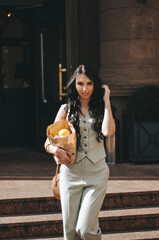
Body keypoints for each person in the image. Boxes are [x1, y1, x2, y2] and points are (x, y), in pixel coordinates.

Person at [44, 64, 116, 240]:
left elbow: (108, 132)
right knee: (70, 232)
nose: (84, 89)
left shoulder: (102, 108)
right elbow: (48, 141)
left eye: (89, 84)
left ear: (95, 85)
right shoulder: (65, 109)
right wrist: (55, 151)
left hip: (97, 173)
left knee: (85, 229)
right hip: (70, 174)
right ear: (74, 85)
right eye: (80, 83)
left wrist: (107, 101)